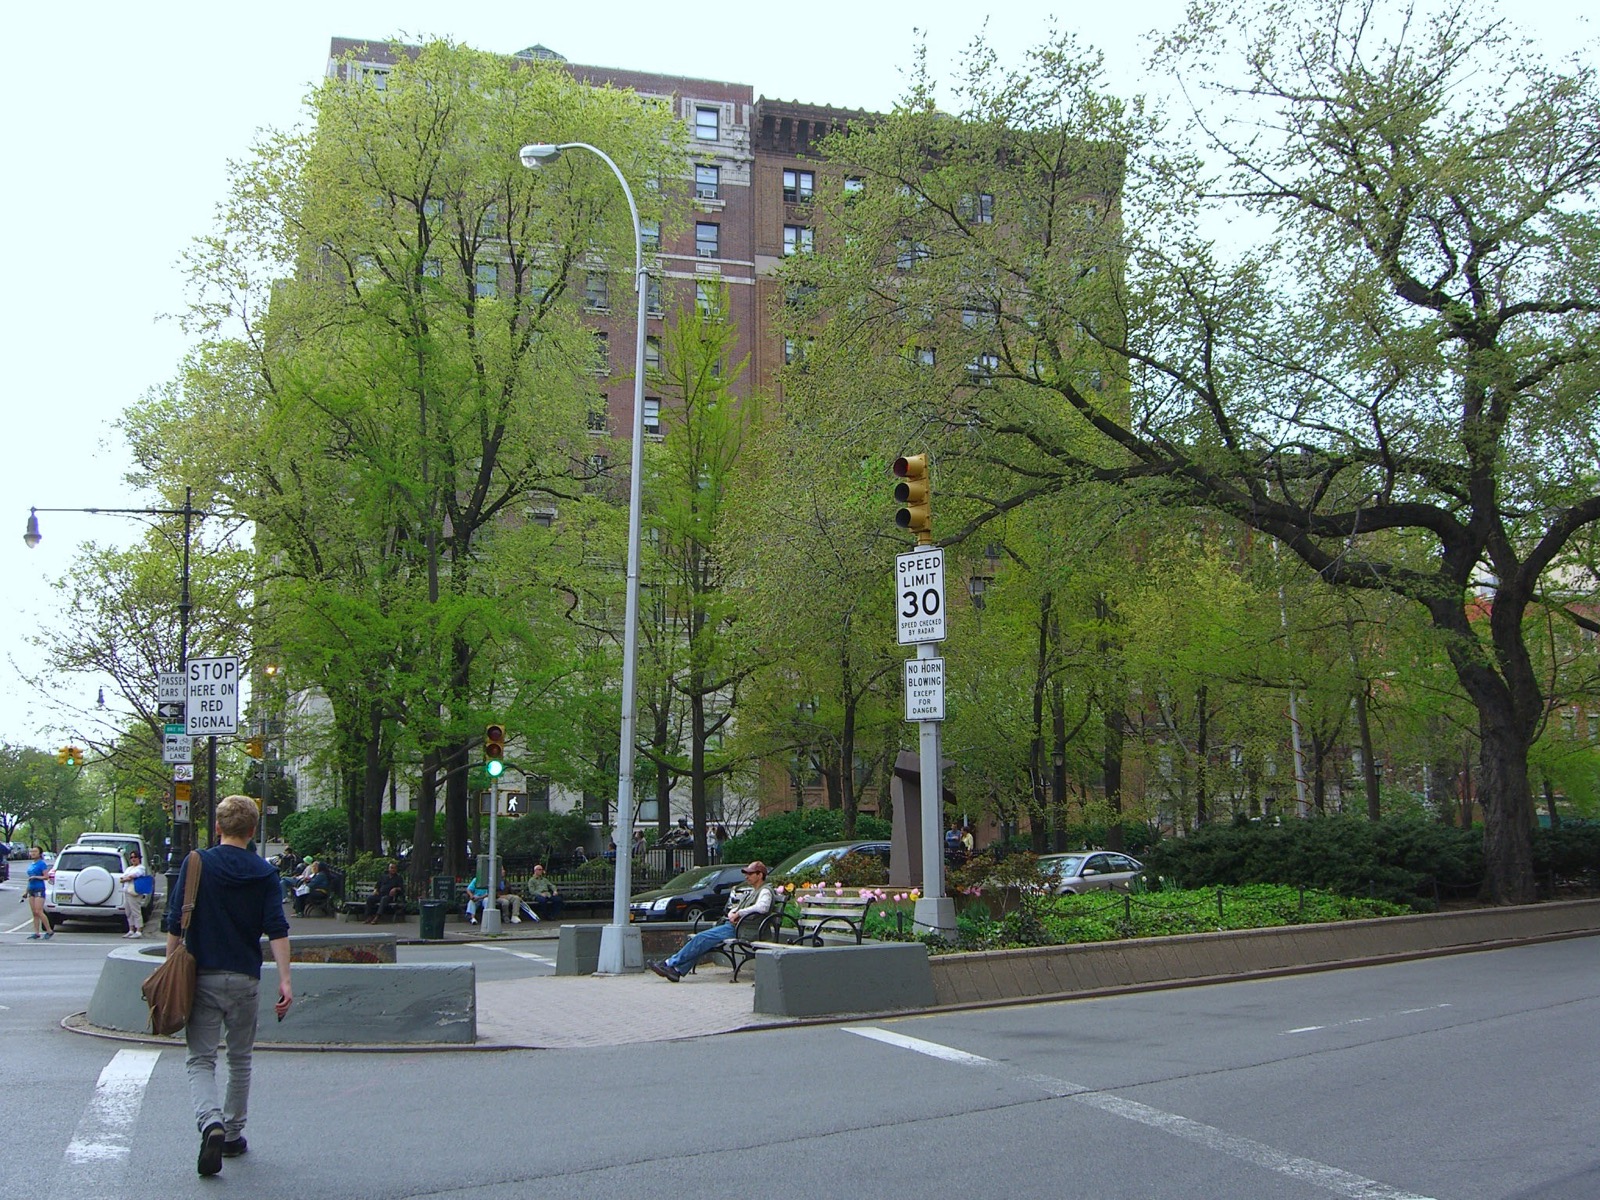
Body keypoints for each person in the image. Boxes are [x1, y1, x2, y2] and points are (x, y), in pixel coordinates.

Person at [165, 794, 292, 1177]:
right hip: (245, 978)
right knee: (240, 1059)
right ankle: (234, 1133)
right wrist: (285, 979)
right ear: (253, 832)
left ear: (218, 827)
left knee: (201, 1058)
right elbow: (277, 930)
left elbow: (175, 921)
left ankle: (210, 1123)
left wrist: (169, 965)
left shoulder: (195, 863)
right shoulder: (266, 874)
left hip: (200, 975)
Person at [647, 861, 771, 982]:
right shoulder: (752, 891)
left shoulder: (765, 891)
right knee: (703, 941)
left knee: (701, 939)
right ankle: (676, 971)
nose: (746, 876)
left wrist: (738, 913)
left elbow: (762, 908)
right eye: (746, 873)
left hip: (745, 930)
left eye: (750, 874)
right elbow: (739, 908)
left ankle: (669, 963)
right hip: (737, 927)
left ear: (760, 875)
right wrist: (733, 912)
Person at [118, 849, 152, 938]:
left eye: (135, 857)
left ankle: (139, 930)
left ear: (139, 858)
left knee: (136, 911)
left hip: (135, 892)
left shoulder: (141, 868)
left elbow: (133, 876)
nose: (133, 859)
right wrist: (126, 878)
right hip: (127, 891)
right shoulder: (129, 868)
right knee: (128, 911)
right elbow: (123, 877)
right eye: (131, 857)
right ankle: (131, 929)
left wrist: (127, 878)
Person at [25, 846, 53, 939]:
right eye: (32, 851)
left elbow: (46, 876)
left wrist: (36, 877)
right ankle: (36, 932)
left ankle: (49, 930)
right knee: (34, 912)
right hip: (31, 889)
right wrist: (26, 891)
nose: (33, 853)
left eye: (35, 851)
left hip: (39, 889)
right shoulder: (32, 864)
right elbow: (29, 879)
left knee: (39, 911)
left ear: (40, 853)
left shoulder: (42, 864)